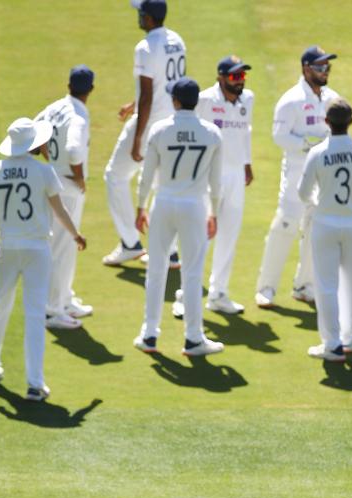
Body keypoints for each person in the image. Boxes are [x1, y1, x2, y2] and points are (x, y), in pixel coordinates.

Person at [0, 118, 86, 400]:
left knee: (0, 307)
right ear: (33, 144)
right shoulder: (43, 172)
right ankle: (34, 383)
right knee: (34, 313)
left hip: (7, 248)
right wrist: (76, 234)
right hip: (36, 250)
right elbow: (59, 211)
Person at [134, 77, 224, 357]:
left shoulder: (160, 130)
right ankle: (193, 338)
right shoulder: (212, 133)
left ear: (175, 101)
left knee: (156, 269)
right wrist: (214, 213)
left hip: (164, 203)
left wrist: (140, 207)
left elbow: (146, 176)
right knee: (193, 272)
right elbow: (216, 183)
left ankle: (149, 334)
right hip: (195, 206)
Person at [254, 45, 340, 309]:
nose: (324, 71)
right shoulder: (290, 100)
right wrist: (307, 143)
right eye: (319, 66)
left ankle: (305, 286)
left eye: (327, 66)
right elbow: (279, 136)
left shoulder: (332, 99)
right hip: (296, 171)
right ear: (305, 69)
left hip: (323, 174)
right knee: (286, 224)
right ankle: (266, 287)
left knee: (316, 228)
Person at [103, 0, 186, 267]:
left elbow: (150, 95)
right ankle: (171, 253)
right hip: (174, 120)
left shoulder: (145, 47)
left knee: (115, 176)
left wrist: (137, 138)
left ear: (149, 18)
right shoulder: (177, 40)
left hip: (151, 123)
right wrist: (134, 102)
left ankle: (130, 242)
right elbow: (167, 85)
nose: (138, 17)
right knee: (164, 184)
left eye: (141, 13)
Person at [172, 54, 253, 319]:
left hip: (235, 176)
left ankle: (218, 294)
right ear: (220, 77)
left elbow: (245, 132)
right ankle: (185, 295)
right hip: (207, 178)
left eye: (242, 75)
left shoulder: (248, 100)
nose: (239, 81)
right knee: (200, 238)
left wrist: (247, 163)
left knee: (229, 235)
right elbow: (186, 129)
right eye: (234, 76)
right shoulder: (205, 100)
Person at [297, 100, 352, 361]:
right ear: (350, 121)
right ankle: (348, 337)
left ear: (327, 122)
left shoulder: (318, 153)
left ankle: (331, 344)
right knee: (350, 283)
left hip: (325, 224)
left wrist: (318, 201)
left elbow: (302, 192)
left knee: (326, 285)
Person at [35, 65, 95, 330]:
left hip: (52, 181)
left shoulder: (55, 107)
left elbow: (34, 131)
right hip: (68, 189)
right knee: (62, 248)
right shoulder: (79, 116)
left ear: (69, 84)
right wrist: (78, 175)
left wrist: (49, 159)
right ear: (90, 90)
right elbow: (73, 150)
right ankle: (52, 310)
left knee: (65, 247)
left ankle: (65, 299)